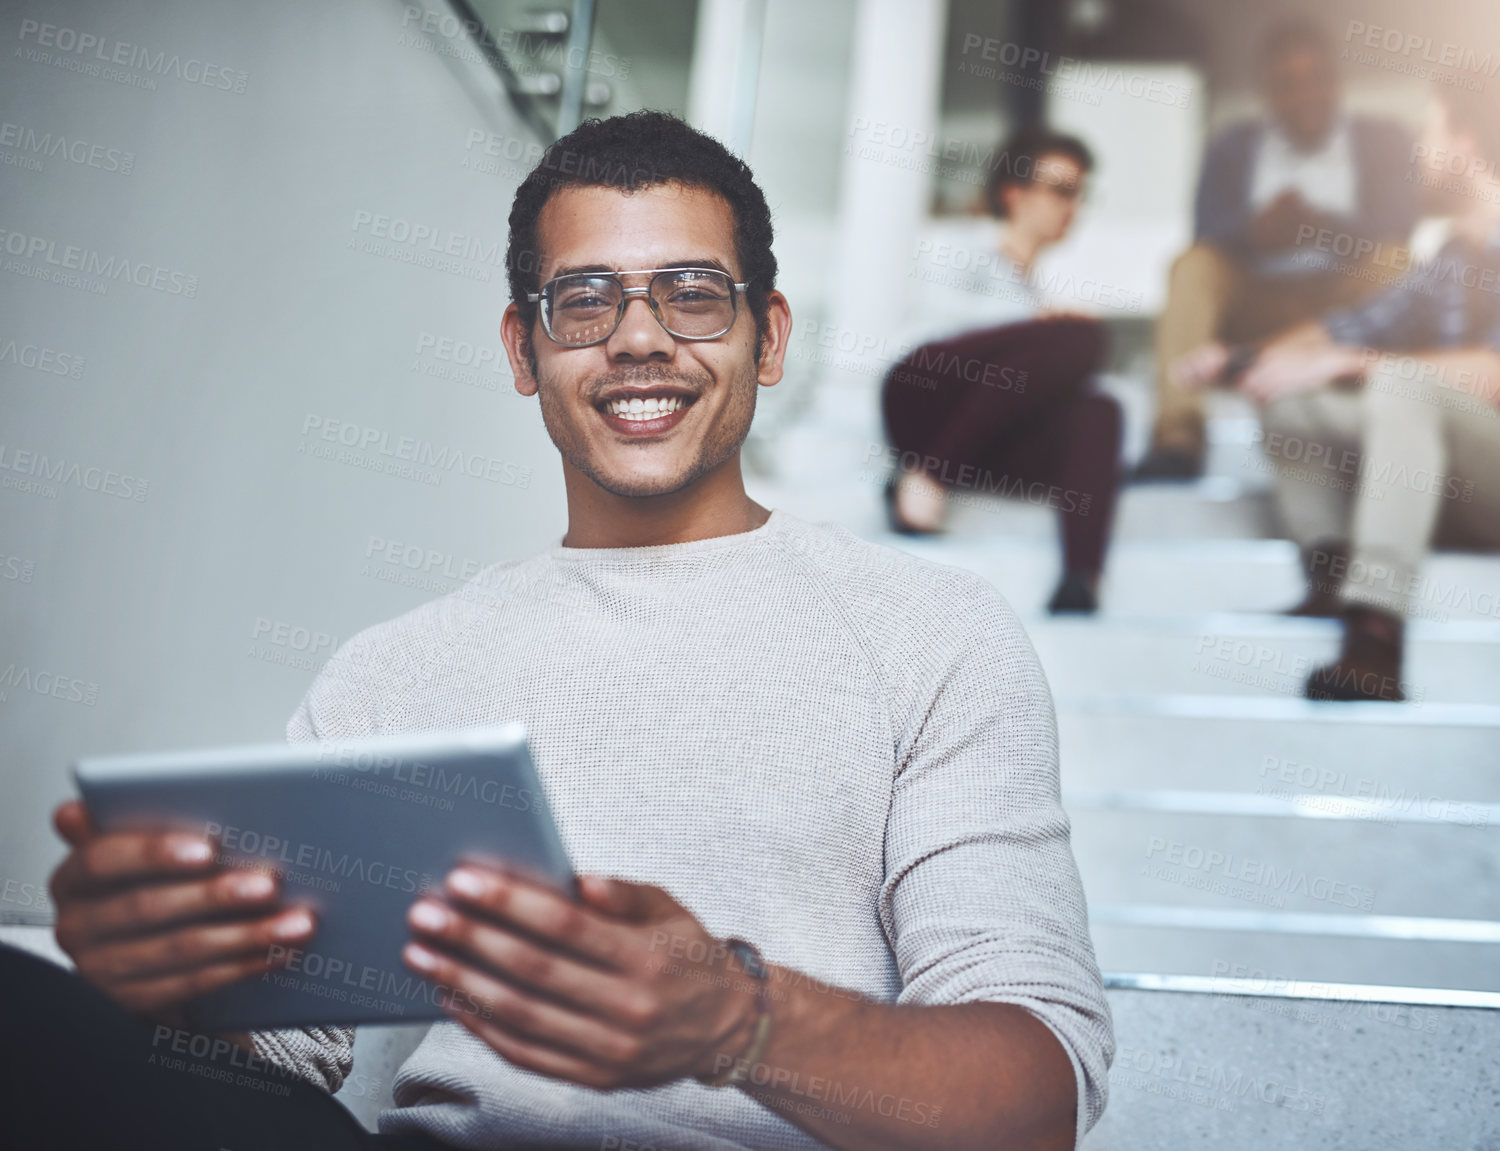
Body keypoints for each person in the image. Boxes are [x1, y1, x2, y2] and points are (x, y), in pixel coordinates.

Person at [11, 111, 1112, 1150]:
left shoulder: (933, 630)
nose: (640, 340)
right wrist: (163, 992)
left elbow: (1035, 1099)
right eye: (585, 300)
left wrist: (738, 1019)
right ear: (523, 348)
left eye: (693, 295)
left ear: (768, 337)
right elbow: (273, 1066)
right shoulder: (396, 669)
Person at [1172, 75, 1500, 701]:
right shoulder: (1455, 255)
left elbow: (1493, 376)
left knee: (1400, 381)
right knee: (1291, 400)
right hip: (1473, 487)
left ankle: (1374, 639)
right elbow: (1352, 326)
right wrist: (1241, 359)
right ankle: (1334, 580)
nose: (1416, 150)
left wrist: (1348, 363)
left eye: (1429, 132)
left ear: (1467, 144)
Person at [1133, 16, 1417, 480]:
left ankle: (1385, 422)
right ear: (1267, 91)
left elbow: (1400, 224)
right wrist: (1254, 233)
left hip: (1340, 305)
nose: (1305, 94)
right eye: (1288, 82)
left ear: (1336, 80)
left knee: (1395, 262)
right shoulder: (1232, 145)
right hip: (1257, 302)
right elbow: (1205, 230)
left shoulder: (1383, 140)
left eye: (1315, 78)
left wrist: (1321, 228)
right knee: (1192, 266)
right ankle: (1178, 436)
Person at [881, 128, 1122, 615]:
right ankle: (927, 479)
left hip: (986, 437)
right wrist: (1040, 326)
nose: (1073, 205)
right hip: (923, 401)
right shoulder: (956, 246)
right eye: (1061, 189)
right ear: (1014, 194)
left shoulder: (1037, 296)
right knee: (1081, 337)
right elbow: (929, 334)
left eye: (1080, 192)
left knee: (1099, 408)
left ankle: (1081, 580)